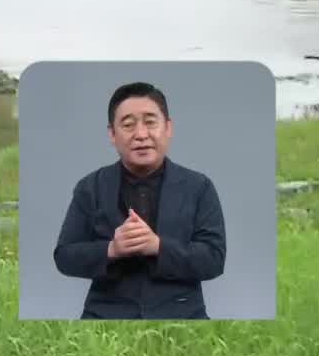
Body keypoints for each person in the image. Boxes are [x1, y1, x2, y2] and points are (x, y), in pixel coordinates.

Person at [52, 81, 226, 319]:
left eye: (150, 122)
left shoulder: (199, 187)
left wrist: (157, 246)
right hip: (105, 316)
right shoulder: (90, 187)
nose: (141, 134)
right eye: (128, 125)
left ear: (168, 127)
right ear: (112, 134)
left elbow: (214, 259)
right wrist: (112, 249)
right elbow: (64, 257)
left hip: (183, 314)